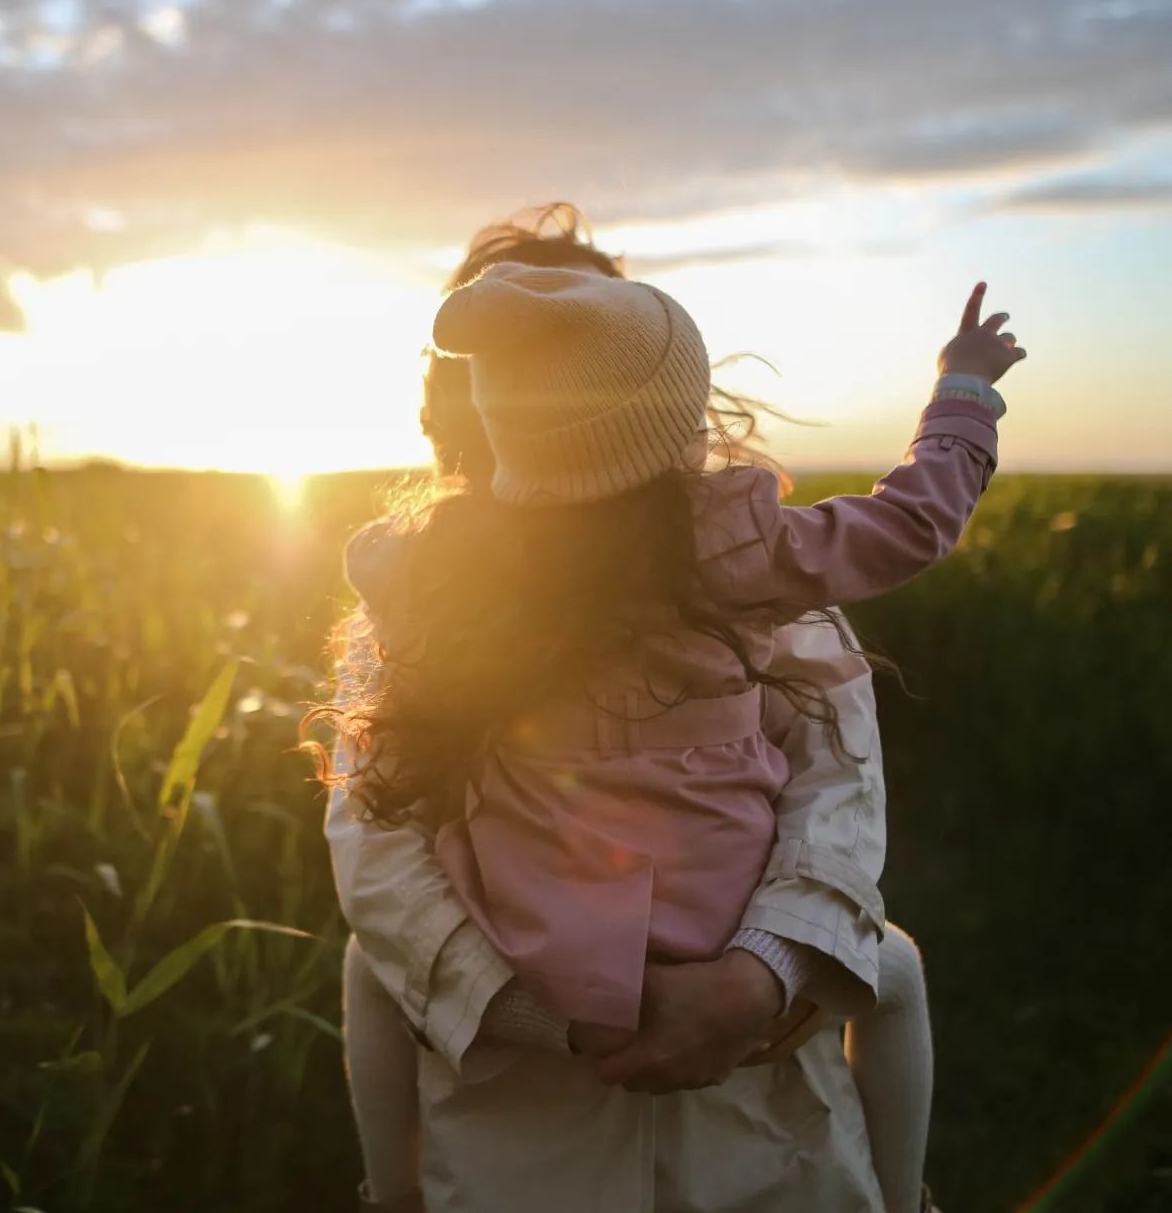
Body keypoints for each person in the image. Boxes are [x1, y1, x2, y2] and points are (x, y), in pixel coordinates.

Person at [323, 207, 1017, 1211]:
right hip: (524, 1112)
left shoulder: (430, 580)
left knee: (365, 970)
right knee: (893, 965)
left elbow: (836, 782)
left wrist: (753, 977)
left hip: (751, 1107)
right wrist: (961, 394)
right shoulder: (745, 556)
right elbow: (376, 849)